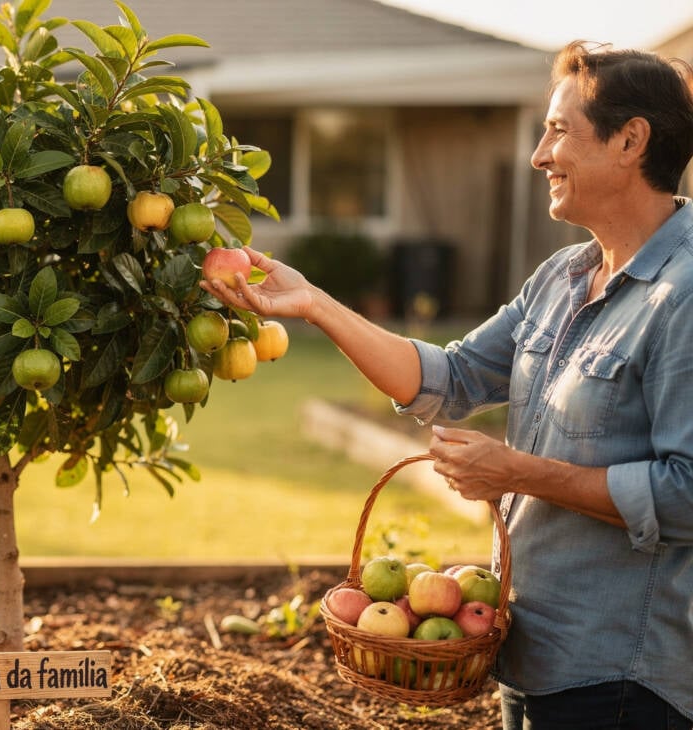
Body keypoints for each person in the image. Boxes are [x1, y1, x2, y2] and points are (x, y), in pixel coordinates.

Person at [202, 41, 693, 729]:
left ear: (630, 141)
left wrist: (516, 471)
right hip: (528, 654)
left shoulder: (684, 293)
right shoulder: (562, 279)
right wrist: (313, 302)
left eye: (557, 130)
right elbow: (450, 379)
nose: (539, 155)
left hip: (620, 678)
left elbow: (686, 493)